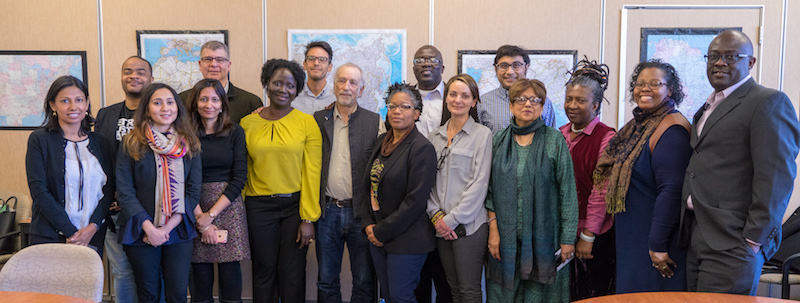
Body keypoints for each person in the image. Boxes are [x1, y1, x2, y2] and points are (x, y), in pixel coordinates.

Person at [681, 30, 800, 295]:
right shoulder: (709, 106)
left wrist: (753, 240)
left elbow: (776, 177)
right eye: (713, 56)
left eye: (731, 56)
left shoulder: (768, 102)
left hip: (734, 241)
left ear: (751, 62)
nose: (720, 63)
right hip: (697, 234)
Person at [593, 59, 691, 293]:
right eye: (640, 83)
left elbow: (671, 190)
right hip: (634, 239)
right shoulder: (638, 127)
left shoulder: (672, 130)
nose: (645, 88)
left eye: (655, 83)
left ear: (671, 90)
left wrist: (657, 245)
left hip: (656, 243)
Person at [485, 79, 577, 303]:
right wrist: (494, 231)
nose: (528, 104)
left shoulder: (555, 140)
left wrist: (567, 240)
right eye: (521, 99)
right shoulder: (499, 140)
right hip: (505, 241)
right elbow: (489, 192)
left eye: (535, 100)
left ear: (542, 105)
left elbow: (568, 193)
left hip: (545, 241)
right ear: (511, 105)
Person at [240, 59, 322, 303]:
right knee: (263, 271)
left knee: (292, 274)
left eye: (290, 85)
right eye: (277, 83)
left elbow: (312, 172)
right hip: (258, 207)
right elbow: (242, 171)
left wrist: (308, 218)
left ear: (297, 89)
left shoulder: (307, 123)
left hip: (294, 208)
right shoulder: (247, 123)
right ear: (267, 83)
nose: (283, 90)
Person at [116, 83, 202, 303]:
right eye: (157, 102)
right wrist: (150, 228)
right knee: (149, 294)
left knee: (177, 294)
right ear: (147, 109)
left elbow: (193, 191)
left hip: (178, 228)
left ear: (178, 108)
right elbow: (125, 190)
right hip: (140, 228)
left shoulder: (189, 143)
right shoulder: (132, 143)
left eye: (170, 102)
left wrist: (166, 228)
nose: (165, 108)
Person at [361, 82, 437, 303]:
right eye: (392, 106)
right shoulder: (380, 143)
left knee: (400, 297)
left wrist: (381, 231)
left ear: (416, 113)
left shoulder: (421, 148)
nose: (397, 111)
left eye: (404, 107)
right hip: (377, 234)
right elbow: (368, 187)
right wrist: (368, 225)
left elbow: (415, 201)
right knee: (389, 296)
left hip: (407, 239)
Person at [313, 63, 381, 303]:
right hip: (327, 212)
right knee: (326, 279)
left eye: (353, 83)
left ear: (360, 90)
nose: (346, 87)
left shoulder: (375, 122)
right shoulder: (318, 120)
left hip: (360, 213)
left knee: (364, 280)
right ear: (334, 85)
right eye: (342, 81)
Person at [26, 75, 114, 257]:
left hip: (92, 235)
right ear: (53, 105)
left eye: (79, 100)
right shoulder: (40, 140)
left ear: (87, 103)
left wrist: (93, 227)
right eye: (65, 101)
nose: (73, 107)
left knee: (86, 285)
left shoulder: (101, 142)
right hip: (50, 236)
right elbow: (39, 191)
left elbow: (109, 188)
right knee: (49, 285)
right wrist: (71, 232)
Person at [426, 74, 491, 303]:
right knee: (453, 290)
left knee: (469, 290)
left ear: (474, 101)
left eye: (465, 96)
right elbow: (428, 183)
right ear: (446, 99)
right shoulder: (434, 136)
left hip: (470, 226)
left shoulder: (483, 135)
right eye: (453, 94)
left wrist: (451, 220)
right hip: (441, 226)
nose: (458, 100)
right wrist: (437, 218)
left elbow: (479, 183)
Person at [95, 55, 154, 303]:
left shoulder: (160, 113)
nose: (133, 76)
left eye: (140, 72)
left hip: (149, 209)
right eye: (127, 71)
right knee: (122, 270)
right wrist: (110, 196)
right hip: (113, 209)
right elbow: (98, 160)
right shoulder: (106, 115)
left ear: (151, 79)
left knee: (152, 273)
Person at [186, 79, 250, 303]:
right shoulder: (184, 135)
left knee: (230, 278)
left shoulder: (235, 132)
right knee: (200, 279)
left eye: (215, 99)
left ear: (222, 104)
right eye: (203, 99)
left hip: (228, 207)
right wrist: (200, 218)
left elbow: (239, 177)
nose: (209, 105)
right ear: (195, 103)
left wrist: (210, 216)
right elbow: (181, 180)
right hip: (192, 205)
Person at [558, 58, 616, 300]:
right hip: (563, 232)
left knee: (593, 294)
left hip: (594, 235)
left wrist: (587, 236)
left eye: (581, 100)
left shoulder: (607, 137)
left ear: (596, 106)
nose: (572, 105)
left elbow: (600, 191)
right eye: (569, 99)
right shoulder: (559, 134)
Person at [411, 44, 453, 303]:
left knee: (446, 276)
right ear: (413, 67)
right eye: (420, 59)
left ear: (442, 67)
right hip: (413, 196)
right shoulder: (404, 98)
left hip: (448, 194)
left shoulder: (456, 96)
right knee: (418, 276)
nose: (427, 64)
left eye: (433, 60)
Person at [477, 45, 556, 134]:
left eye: (516, 65)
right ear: (496, 69)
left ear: (526, 68)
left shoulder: (544, 102)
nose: (510, 72)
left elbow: (551, 140)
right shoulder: (482, 103)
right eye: (503, 66)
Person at [178, 41, 262, 124]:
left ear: (228, 66)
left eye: (220, 60)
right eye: (208, 59)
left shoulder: (251, 102)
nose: (214, 64)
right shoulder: (181, 100)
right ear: (200, 64)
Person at [294, 41, 336, 115]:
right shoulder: (292, 97)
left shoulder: (337, 99)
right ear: (304, 65)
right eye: (311, 58)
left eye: (322, 59)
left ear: (329, 67)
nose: (316, 63)